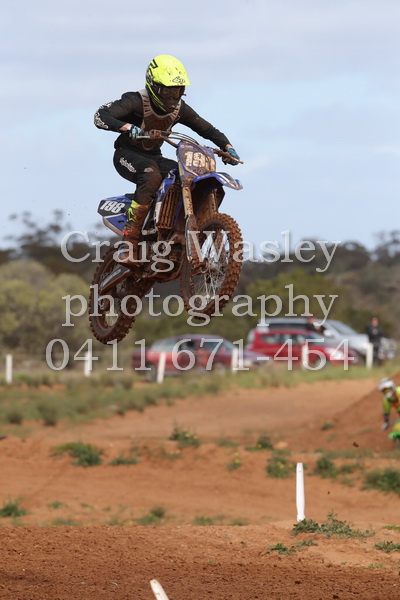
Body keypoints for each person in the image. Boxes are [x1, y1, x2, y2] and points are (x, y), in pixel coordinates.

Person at [94, 54, 240, 262]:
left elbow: (206, 129)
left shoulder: (180, 109)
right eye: (168, 91)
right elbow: (101, 115)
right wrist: (126, 127)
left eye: (177, 91)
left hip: (155, 157)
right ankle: (130, 240)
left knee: (185, 177)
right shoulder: (135, 101)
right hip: (127, 155)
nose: (172, 97)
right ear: (153, 86)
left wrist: (227, 147)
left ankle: (172, 230)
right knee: (151, 176)